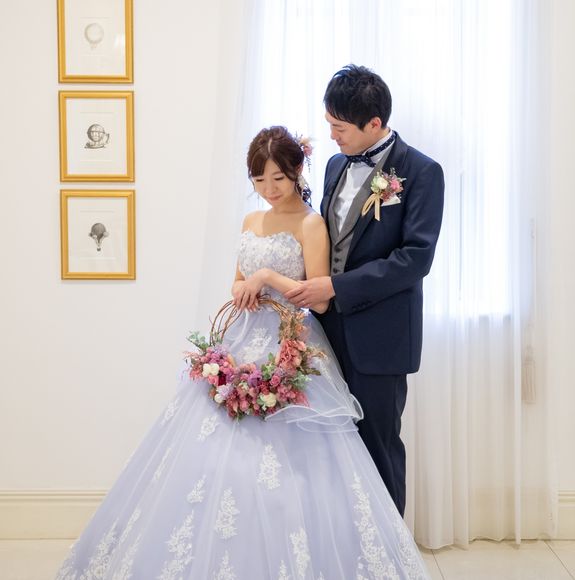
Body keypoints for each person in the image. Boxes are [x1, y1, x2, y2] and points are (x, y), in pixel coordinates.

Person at [55, 126, 431, 579]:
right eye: (259, 180)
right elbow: (236, 281)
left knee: (291, 462)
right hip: (242, 337)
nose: (269, 189)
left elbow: (319, 299)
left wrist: (267, 278)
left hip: (290, 338)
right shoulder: (251, 220)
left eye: (278, 178)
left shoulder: (312, 224)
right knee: (214, 456)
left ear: (297, 172)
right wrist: (243, 288)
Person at [286, 65, 445, 517]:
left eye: (339, 127)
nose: (331, 136)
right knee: (329, 447)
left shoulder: (422, 172)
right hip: (325, 333)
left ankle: (388, 551)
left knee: (378, 445)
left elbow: (415, 259)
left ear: (374, 123)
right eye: (329, 124)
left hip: (382, 338)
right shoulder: (335, 165)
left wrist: (336, 286)